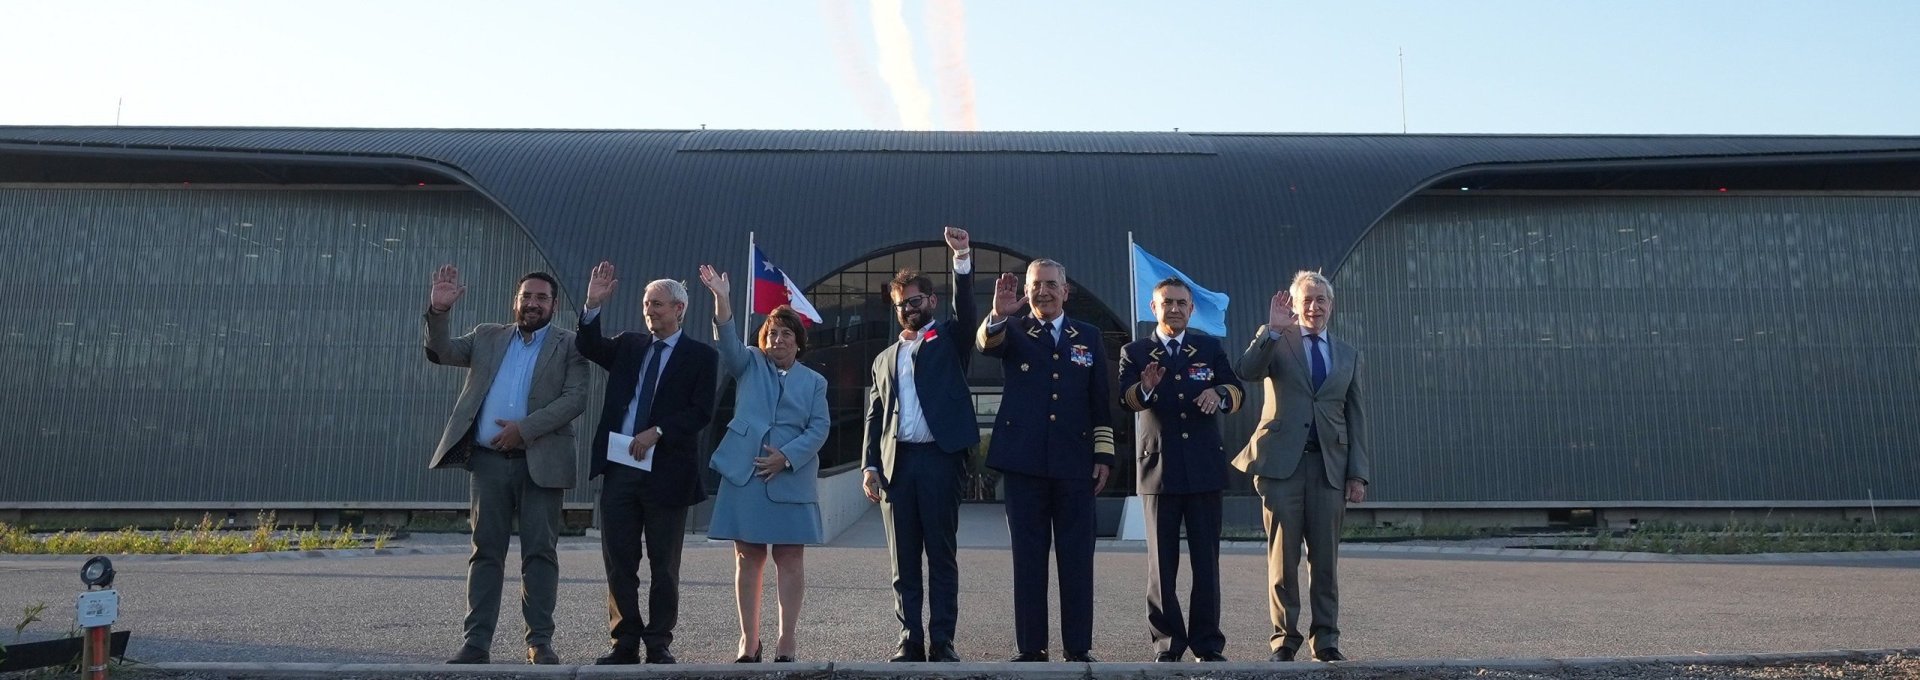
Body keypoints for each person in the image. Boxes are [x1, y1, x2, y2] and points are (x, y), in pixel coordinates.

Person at [421, 265, 588, 666]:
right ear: (516, 301)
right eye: (526, 296)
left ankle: (540, 643)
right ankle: (476, 643)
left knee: (540, 554)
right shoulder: (486, 336)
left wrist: (524, 430)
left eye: (541, 298)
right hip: (489, 465)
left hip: (540, 463)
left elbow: (575, 399)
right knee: (485, 553)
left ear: (554, 305)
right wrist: (439, 311)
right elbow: (442, 352)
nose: (532, 303)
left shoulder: (570, 345)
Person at [576, 263, 718, 665]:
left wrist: (657, 431)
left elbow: (701, 411)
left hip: (667, 473)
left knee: (664, 564)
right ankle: (624, 642)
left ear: (679, 309)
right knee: (619, 560)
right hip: (620, 469)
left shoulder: (700, 357)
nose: (649, 311)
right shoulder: (628, 345)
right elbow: (587, 346)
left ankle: (658, 642)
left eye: (656, 304)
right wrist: (592, 304)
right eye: (645, 304)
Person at [975, 258, 1115, 663]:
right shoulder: (1014, 328)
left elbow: (1099, 403)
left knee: (1076, 557)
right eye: (1036, 285)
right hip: (1024, 465)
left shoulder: (1087, 335)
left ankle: (1078, 646)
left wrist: (1103, 454)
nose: (1043, 292)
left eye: (1051, 284)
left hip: (1075, 465)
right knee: (1028, 558)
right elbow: (986, 344)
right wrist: (998, 315)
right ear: (1027, 290)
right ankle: (1031, 647)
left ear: (1066, 291)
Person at [1233, 270, 1370, 663]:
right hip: (1281, 468)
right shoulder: (1277, 340)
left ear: (1331, 305)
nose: (1314, 306)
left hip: (1329, 468)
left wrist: (1357, 474)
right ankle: (1284, 640)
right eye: (1306, 299)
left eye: (1320, 300)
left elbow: (1356, 417)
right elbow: (1247, 371)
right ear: (1294, 304)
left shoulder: (1347, 354)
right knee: (1283, 559)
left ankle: (1326, 639)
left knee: (1325, 561)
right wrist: (1272, 332)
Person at [697, 264, 829, 664]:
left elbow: (820, 427)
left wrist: (786, 457)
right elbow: (728, 341)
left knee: (789, 558)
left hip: (791, 477)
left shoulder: (814, 382)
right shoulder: (749, 363)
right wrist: (722, 298)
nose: (778, 338)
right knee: (747, 556)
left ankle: (786, 640)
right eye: (772, 333)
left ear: (798, 342)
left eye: (786, 333)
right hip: (748, 474)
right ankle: (748, 641)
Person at [860, 226, 978, 663]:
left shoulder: (949, 339)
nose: (907, 309)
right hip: (897, 465)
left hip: (941, 460)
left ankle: (942, 640)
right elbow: (874, 417)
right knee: (903, 561)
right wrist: (868, 465)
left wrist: (962, 257)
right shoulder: (882, 359)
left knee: (941, 557)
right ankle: (909, 639)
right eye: (899, 305)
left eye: (913, 301)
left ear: (930, 301)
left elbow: (967, 313)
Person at [1118, 276, 1244, 663]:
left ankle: (1207, 643)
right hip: (1159, 469)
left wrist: (1218, 393)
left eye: (1181, 303)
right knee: (1162, 565)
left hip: (1204, 469)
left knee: (1206, 563)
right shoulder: (1136, 351)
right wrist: (1147, 388)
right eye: (1167, 302)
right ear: (1153, 308)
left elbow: (1235, 391)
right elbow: (1127, 401)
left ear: (1191, 309)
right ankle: (1167, 642)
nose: (1174, 308)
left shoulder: (1208, 347)